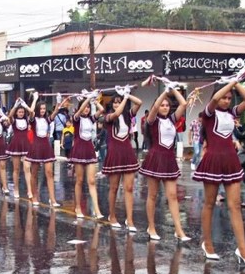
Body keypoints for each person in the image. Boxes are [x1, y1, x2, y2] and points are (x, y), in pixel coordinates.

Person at [192, 77, 245, 264]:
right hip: (213, 159)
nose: (227, 100)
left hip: (230, 160)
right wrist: (228, 83)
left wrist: (236, 82)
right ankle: (207, 243)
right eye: (224, 98)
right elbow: (214, 99)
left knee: (235, 205)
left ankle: (243, 249)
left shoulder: (231, 113)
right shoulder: (209, 113)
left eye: (229, 98)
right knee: (210, 204)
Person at [139, 83, 191, 241]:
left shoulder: (171, 119)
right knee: (153, 195)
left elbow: (184, 104)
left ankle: (179, 230)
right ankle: (151, 227)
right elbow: (154, 107)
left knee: (173, 196)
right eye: (162, 105)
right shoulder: (152, 120)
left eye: (167, 105)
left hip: (169, 158)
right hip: (155, 157)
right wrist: (164, 91)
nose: (165, 107)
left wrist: (173, 88)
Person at [102, 84, 142, 231]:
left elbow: (139, 102)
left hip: (127, 152)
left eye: (119, 101)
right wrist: (124, 98)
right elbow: (116, 113)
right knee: (113, 188)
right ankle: (112, 216)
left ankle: (130, 220)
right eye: (115, 102)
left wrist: (128, 94)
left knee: (129, 188)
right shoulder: (108, 118)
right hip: (114, 153)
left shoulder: (128, 115)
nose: (117, 104)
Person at [68, 95, 105, 218]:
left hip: (89, 150)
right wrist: (88, 99)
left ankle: (97, 210)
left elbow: (101, 110)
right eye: (85, 107)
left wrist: (94, 100)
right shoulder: (76, 118)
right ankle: (78, 207)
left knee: (92, 181)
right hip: (79, 150)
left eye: (88, 108)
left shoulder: (91, 119)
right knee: (79, 180)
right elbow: (79, 111)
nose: (87, 109)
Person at [26, 93, 60, 207]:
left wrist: (58, 102)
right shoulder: (33, 119)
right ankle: (34, 196)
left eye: (44, 108)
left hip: (46, 146)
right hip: (36, 147)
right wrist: (35, 99)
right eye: (41, 108)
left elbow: (54, 114)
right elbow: (31, 111)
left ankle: (53, 199)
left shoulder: (47, 119)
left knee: (49, 173)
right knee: (34, 173)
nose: (43, 110)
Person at [6, 100, 33, 199]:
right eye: (19, 112)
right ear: (17, 113)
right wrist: (15, 105)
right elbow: (10, 116)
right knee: (16, 169)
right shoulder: (14, 121)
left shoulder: (27, 120)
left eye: (22, 112)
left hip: (25, 144)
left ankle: (29, 190)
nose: (21, 113)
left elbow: (32, 113)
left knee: (27, 168)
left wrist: (25, 106)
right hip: (16, 144)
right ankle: (16, 189)